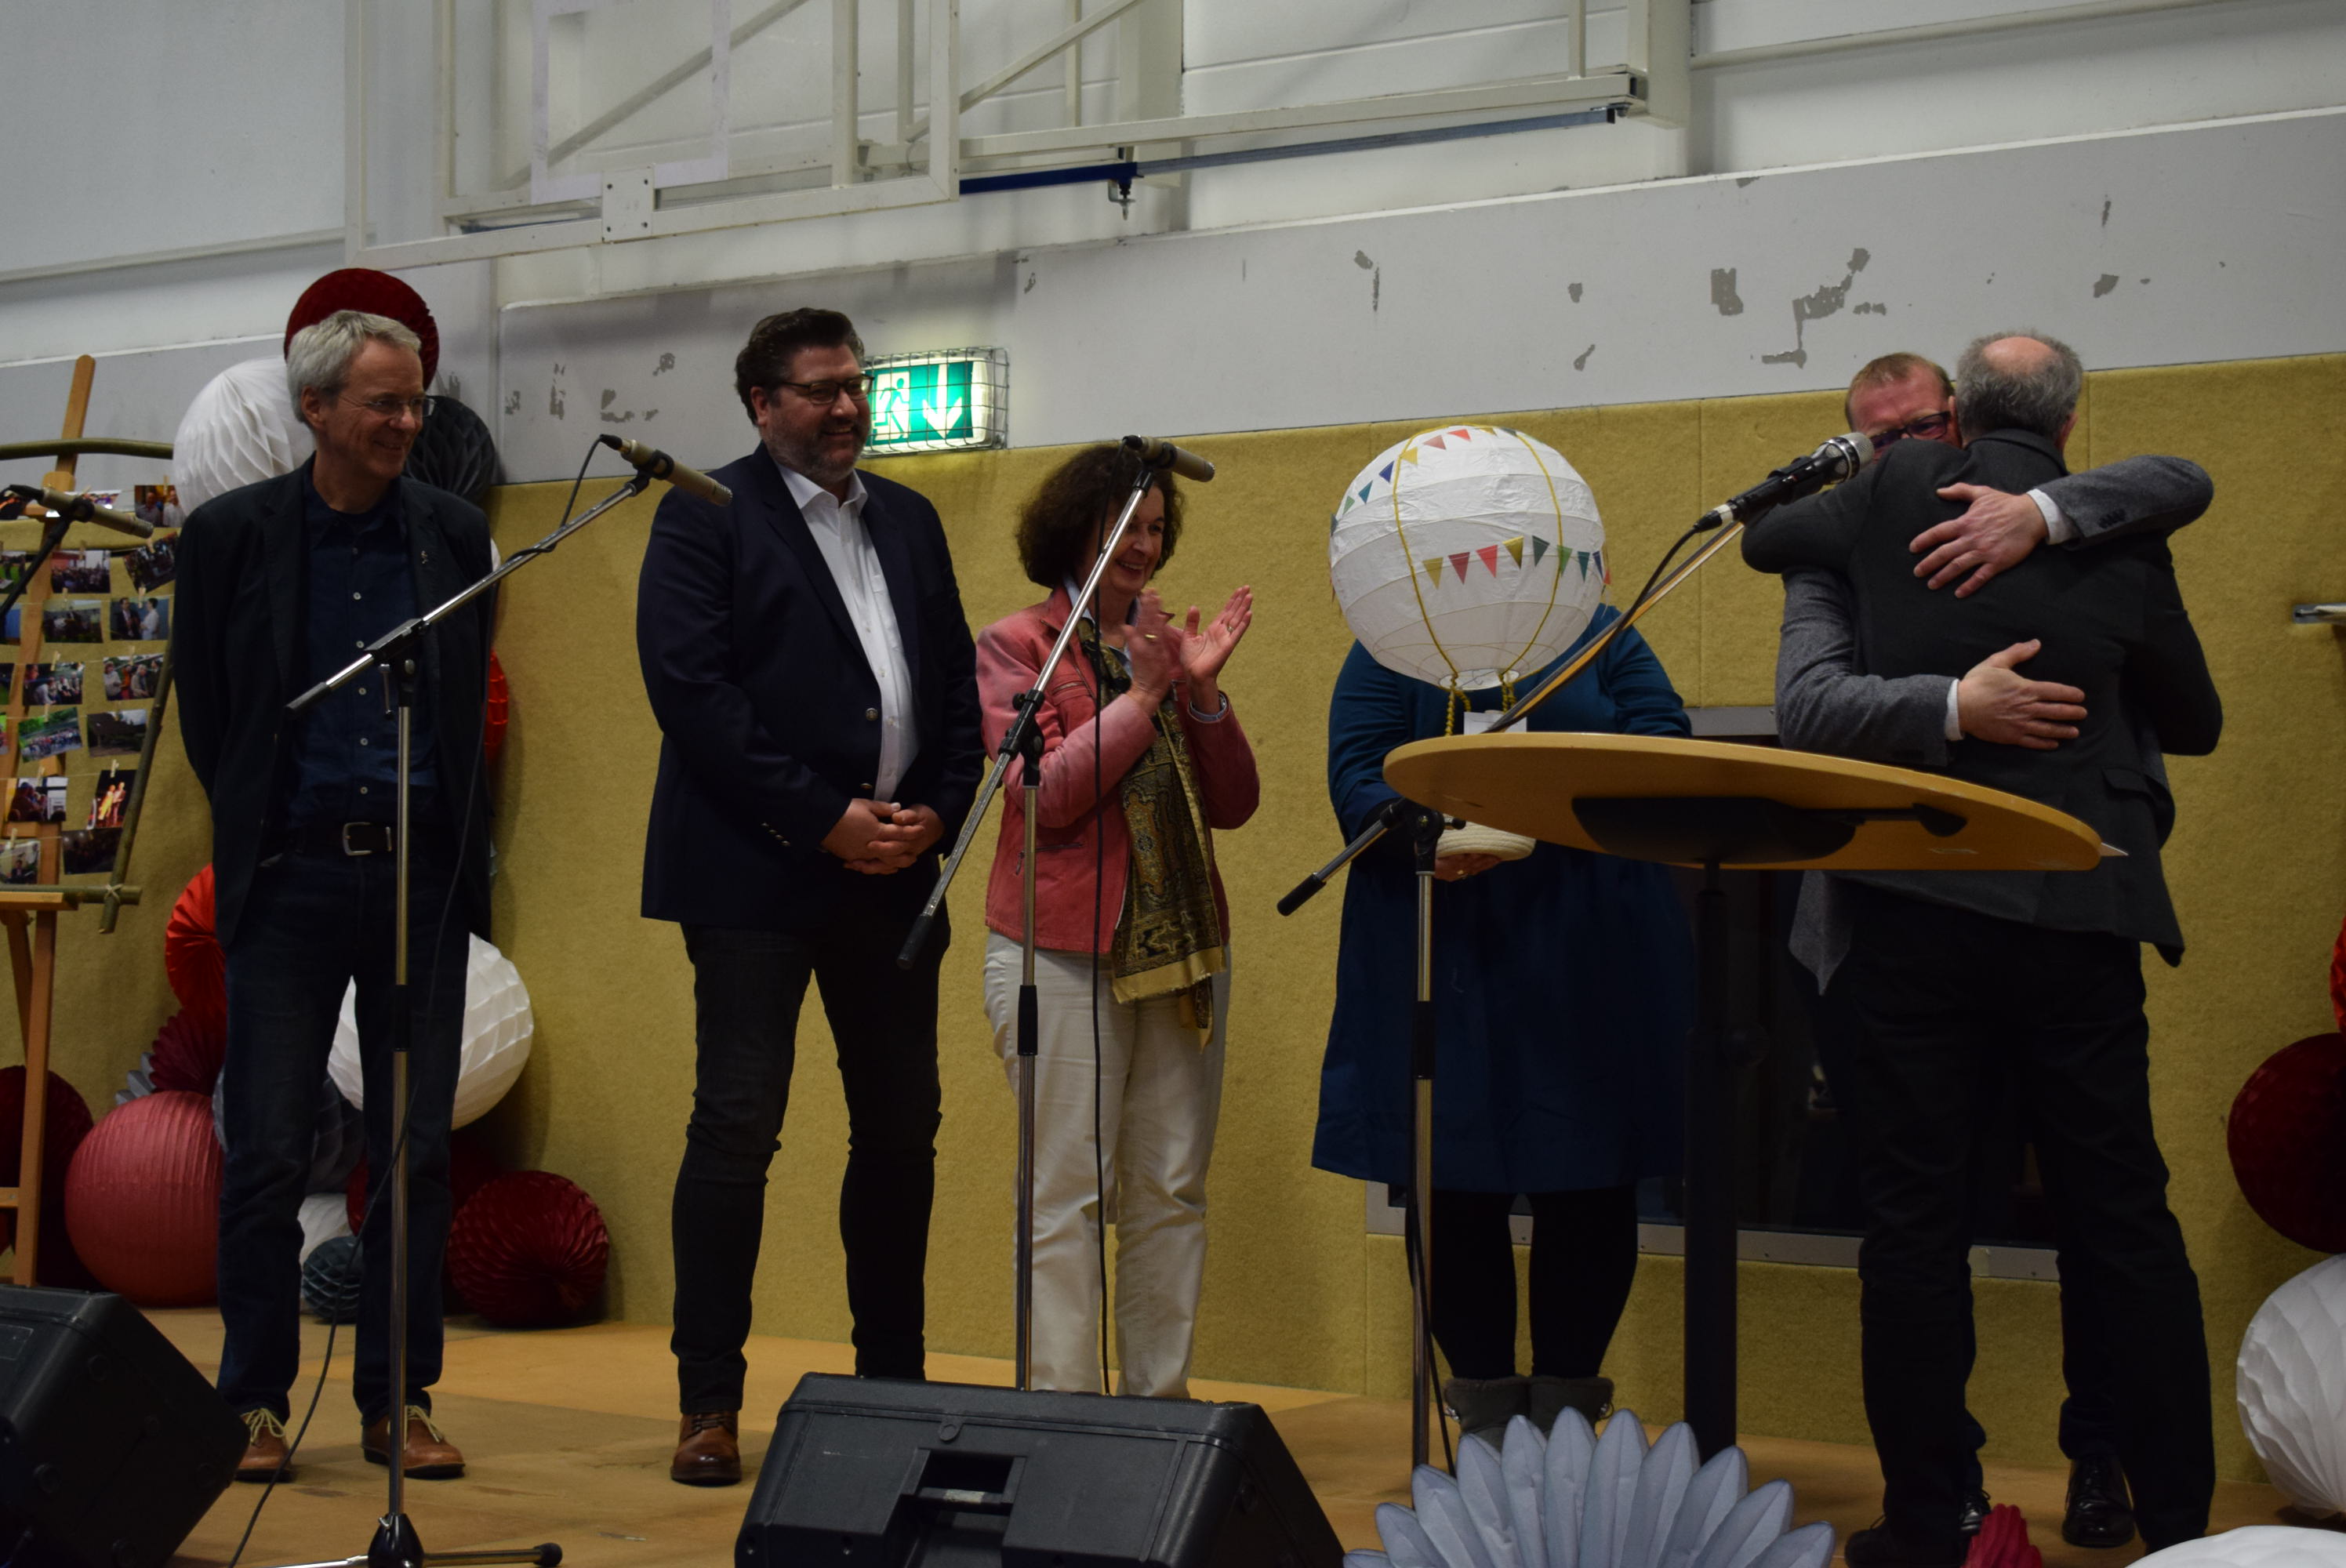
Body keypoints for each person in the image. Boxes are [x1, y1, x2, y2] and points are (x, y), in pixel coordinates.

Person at [1743, 332, 2221, 1566]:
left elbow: (1763, 537)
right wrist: (1978, 695)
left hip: (1928, 908)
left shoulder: (1904, 509)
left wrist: (2042, 520)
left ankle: (1939, 1517)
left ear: (1959, 414)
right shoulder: (2115, 531)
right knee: (2119, 1218)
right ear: (2066, 424)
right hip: (2067, 909)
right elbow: (2196, 715)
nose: (1903, 451)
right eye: (1881, 438)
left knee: (1919, 1226)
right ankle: (2177, 1525)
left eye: (1917, 429)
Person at [637, 307, 982, 1486]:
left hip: (895, 874)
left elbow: (953, 691)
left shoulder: (911, 518)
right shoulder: (705, 511)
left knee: (901, 1127)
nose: (846, 407)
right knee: (737, 1128)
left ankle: (891, 1387)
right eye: (820, 389)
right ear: (761, 403)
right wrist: (824, 816)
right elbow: (694, 695)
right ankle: (708, 1401)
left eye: (856, 385)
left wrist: (936, 809)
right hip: (755, 873)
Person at [176, 309, 496, 1484]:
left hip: (418, 877)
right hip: (292, 875)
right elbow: (213, 718)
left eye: (416, 402)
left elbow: (460, 708)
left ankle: (397, 1397)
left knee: (416, 1152)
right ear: (315, 408)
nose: (407, 422)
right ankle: (254, 1403)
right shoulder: (230, 536)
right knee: (265, 1149)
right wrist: (266, 828)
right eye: (383, 403)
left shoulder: (453, 532)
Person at [1314, 610, 1695, 1447]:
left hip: (1586, 938)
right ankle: (1486, 1423)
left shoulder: (1601, 631)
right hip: (1447, 935)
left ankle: (1567, 1422)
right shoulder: (1395, 635)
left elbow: (1663, 740)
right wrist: (1428, 834)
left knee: (1591, 1172)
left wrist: (1553, 796)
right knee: (1451, 1176)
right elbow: (1357, 775)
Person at [974, 445, 1258, 1396]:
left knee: (1170, 1187)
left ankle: (1157, 1407)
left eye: (1155, 528)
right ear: (1076, 530)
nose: (1143, 545)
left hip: (1181, 949)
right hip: (1058, 952)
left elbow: (1234, 804)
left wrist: (1201, 692)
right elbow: (1046, 794)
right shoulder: (1018, 644)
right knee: (1067, 1191)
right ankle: (1062, 1412)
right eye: (1125, 526)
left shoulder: (1160, 643)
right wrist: (1142, 697)